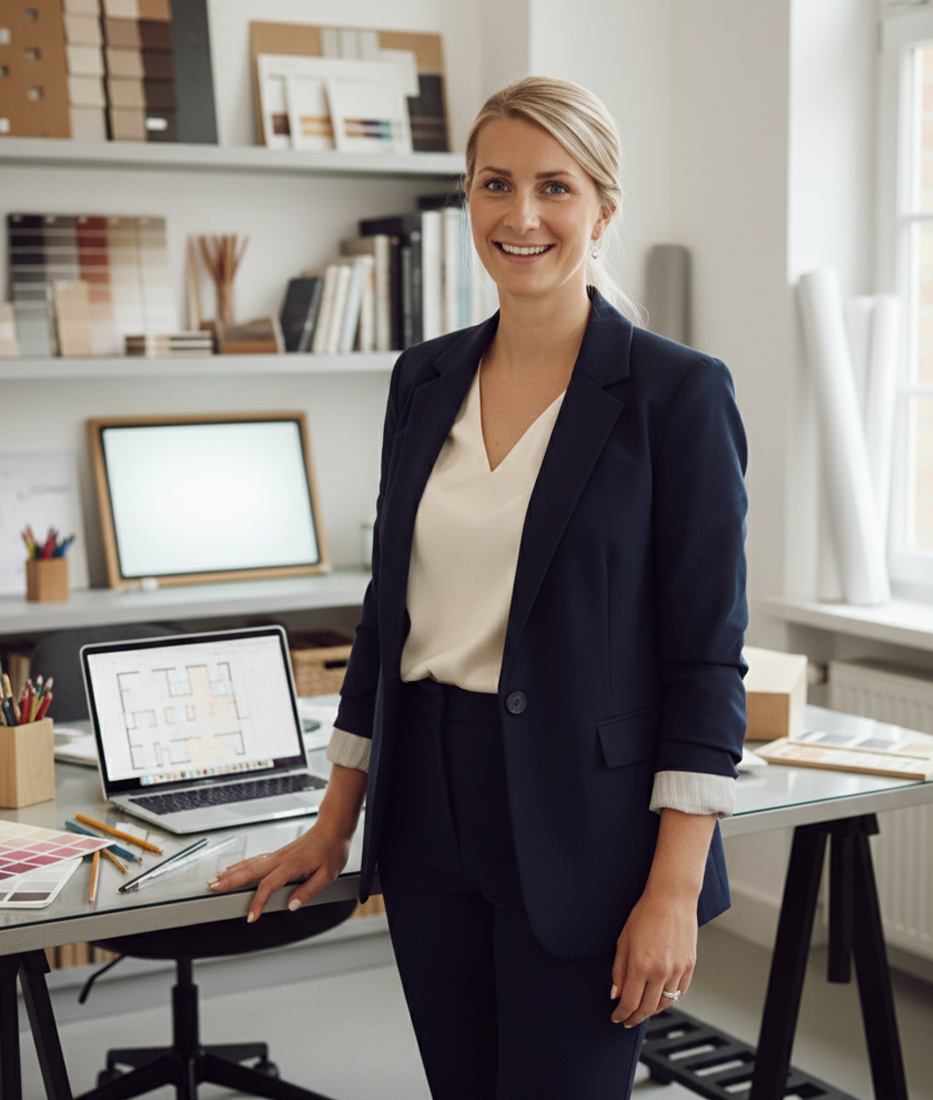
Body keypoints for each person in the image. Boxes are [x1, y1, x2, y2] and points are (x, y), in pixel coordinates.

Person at [209, 75, 748, 1100]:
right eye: (494, 184)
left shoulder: (676, 393)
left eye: (554, 186)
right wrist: (335, 820)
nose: (521, 215)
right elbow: (386, 617)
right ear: (467, 198)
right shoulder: (423, 377)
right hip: (425, 813)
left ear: (601, 207)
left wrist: (671, 888)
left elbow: (702, 657)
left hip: (585, 822)